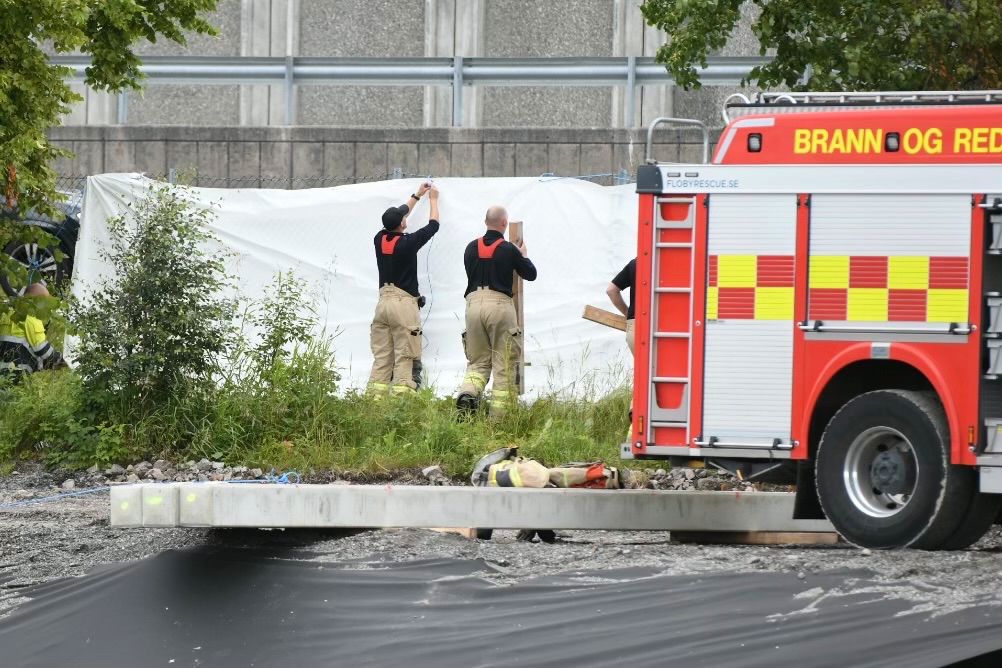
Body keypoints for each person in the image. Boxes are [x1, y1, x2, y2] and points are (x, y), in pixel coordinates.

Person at [456, 205, 536, 417]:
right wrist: (523, 255)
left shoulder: (470, 248)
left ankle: (467, 396)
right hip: (499, 306)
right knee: (504, 363)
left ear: (485, 222)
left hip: (472, 306)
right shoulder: (509, 249)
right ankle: (498, 422)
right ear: (504, 224)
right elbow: (531, 274)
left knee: (478, 363)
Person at [366, 183, 439, 396]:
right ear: (402, 224)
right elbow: (433, 225)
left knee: (382, 358)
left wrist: (417, 195)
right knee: (405, 356)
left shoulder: (379, 239)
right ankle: (401, 404)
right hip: (403, 305)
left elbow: (401, 213)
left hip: (382, 305)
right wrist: (433, 200)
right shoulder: (408, 243)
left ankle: (373, 404)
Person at [0, 283, 65, 379]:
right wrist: (65, 361)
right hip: (17, 373)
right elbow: (43, 351)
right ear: (37, 301)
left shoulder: (6, 312)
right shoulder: (32, 318)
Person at [606, 257, 637, 354]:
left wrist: (629, 314)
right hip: (668, 324)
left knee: (644, 369)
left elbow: (611, 290)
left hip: (636, 326)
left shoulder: (635, 263)